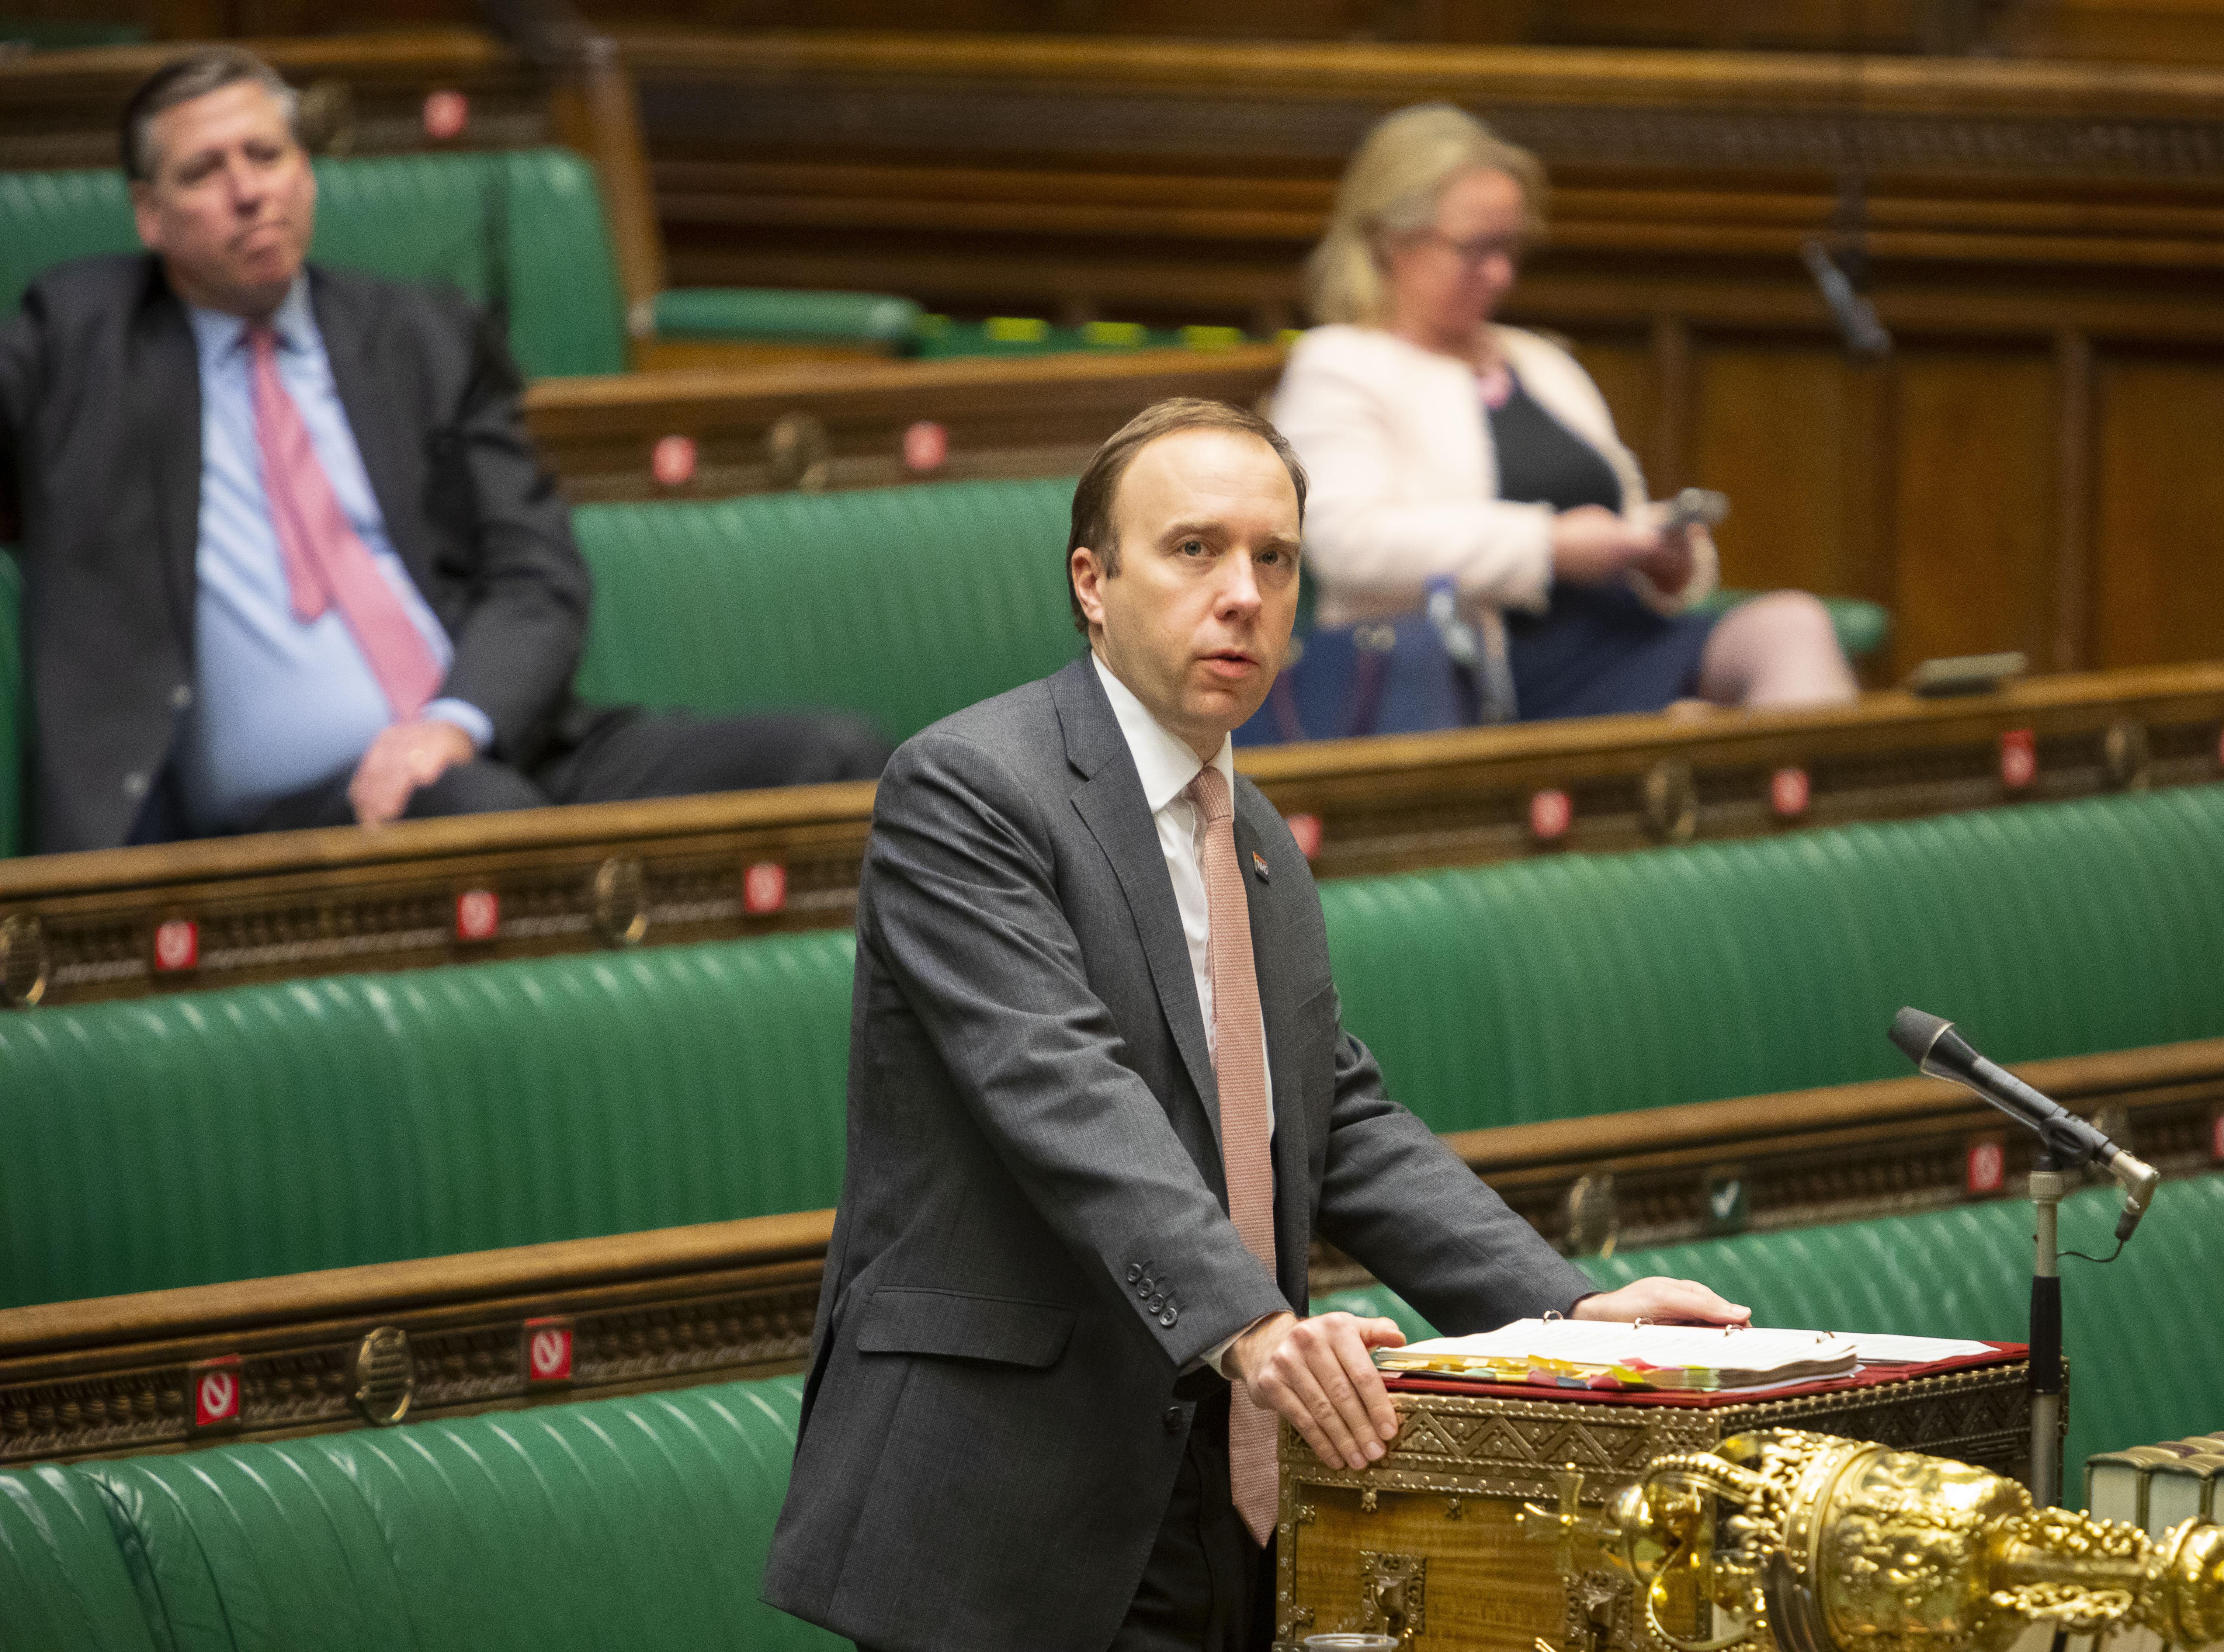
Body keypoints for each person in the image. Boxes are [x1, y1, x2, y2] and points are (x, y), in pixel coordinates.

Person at [761, 397, 1749, 1652]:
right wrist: (1256, 1327)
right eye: (1194, 550)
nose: (1243, 592)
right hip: (1005, 1498)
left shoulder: (1257, 833)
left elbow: (1332, 1112)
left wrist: (1558, 1319)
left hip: (1219, 1484)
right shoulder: (970, 789)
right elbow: (1059, 1087)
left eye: (1273, 559)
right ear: (1093, 582)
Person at [0, 48, 888, 854]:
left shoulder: (421, 334)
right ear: (150, 216)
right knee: (477, 811)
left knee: (844, 758)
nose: (248, 191)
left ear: (305, 170)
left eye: (266, 156)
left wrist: (456, 722)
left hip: (500, 745)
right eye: (204, 171)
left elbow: (536, 573)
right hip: (290, 822)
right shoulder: (81, 336)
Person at [1270, 104, 1860, 721]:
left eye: (1512, 247)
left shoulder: (1538, 358)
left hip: (1622, 637)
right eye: (1476, 248)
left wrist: (1659, 556)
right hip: (1480, 673)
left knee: (1795, 626)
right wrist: (1547, 546)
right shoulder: (1339, 364)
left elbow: (1620, 504)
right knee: (1698, 731)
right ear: (1389, 241)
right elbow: (1349, 544)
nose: (1501, 274)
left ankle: (1839, 820)